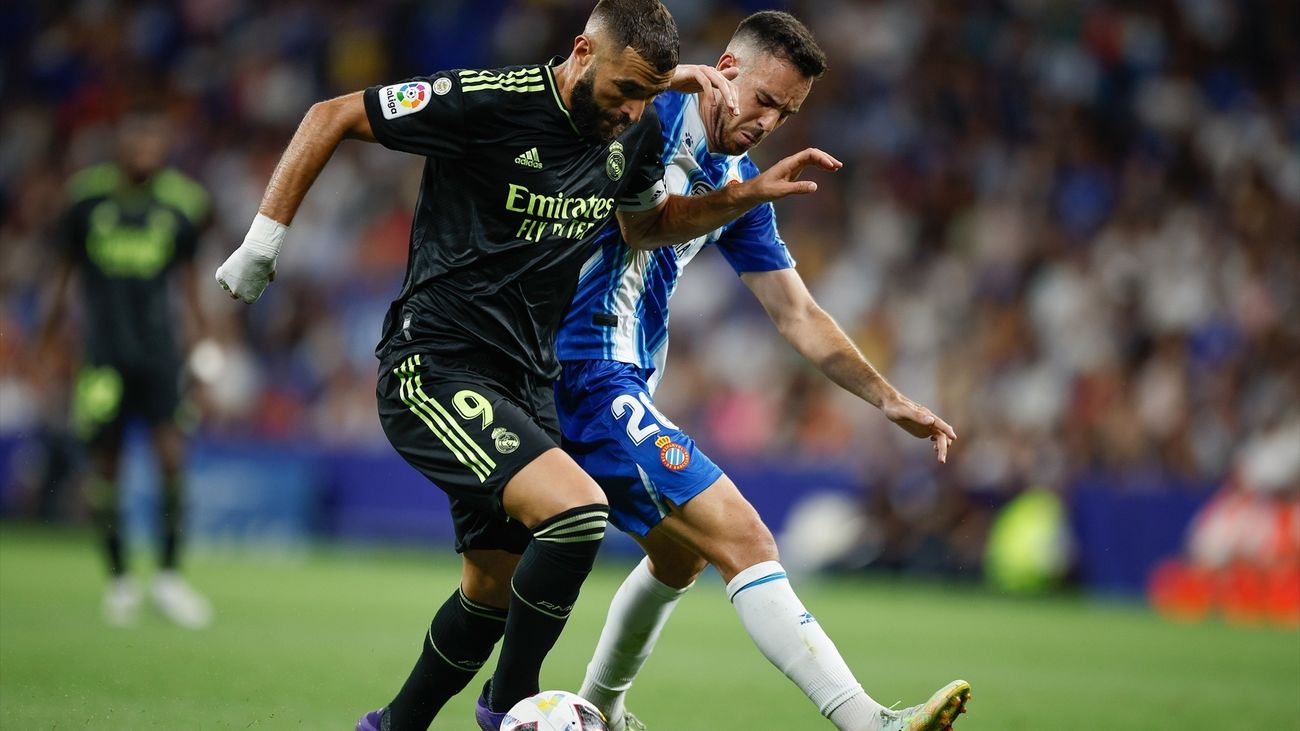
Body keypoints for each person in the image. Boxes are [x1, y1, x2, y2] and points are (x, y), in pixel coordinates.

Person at [211, 2, 841, 729]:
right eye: (624, 91)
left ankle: (391, 726)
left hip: (524, 380)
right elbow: (330, 115)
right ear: (581, 53)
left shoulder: (627, 131)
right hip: (436, 364)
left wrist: (738, 197)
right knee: (577, 514)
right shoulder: (488, 100)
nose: (632, 111)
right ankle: (512, 708)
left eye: (648, 97)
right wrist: (262, 244)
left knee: (488, 595)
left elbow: (645, 228)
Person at [554, 12, 970, 731]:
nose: (770, 121)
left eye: (790, 112)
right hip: (581, 368)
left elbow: (797, 314)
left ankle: (601, 709)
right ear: (727, 68)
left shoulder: (739, 181)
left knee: (678, 555)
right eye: (766, 99)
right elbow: (640, 220)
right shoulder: (640, 114)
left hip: (621, 377)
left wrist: (888, 398)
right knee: (744, 537)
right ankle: (869, 722)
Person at [36, 101, 214, 630]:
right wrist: (44, 346)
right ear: (120, 146)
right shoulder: (85, 200)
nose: (146, 154)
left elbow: (189, 283)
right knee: (105, 466)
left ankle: (167, 576)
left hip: (159, 355)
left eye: (155, 145)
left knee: (171, 459)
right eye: (138, 144)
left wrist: (205, 347)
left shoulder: (182, 203)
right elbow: (63, 276)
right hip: (102, 357)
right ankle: (118, 580)